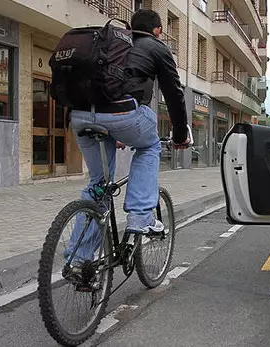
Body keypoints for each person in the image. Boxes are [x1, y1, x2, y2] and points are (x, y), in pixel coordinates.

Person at [64, 9, 190, 274]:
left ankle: (80, 260)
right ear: (157, 30)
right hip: (122, 115)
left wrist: (114, 132)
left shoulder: (110, 43)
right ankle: (141, 215)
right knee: (150, 145)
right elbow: (174, 94)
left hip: (80, 116)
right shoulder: (157, 47)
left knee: (98, 186)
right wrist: (180, 133)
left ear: (131, 27)